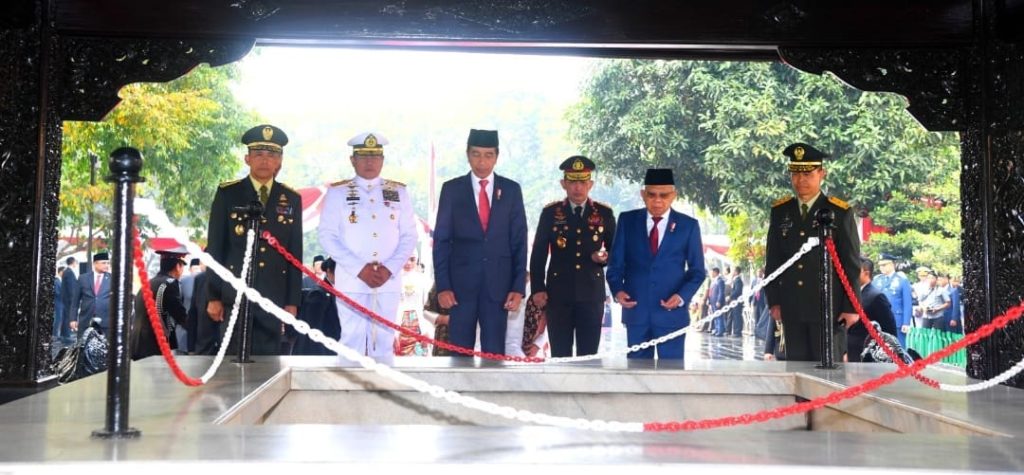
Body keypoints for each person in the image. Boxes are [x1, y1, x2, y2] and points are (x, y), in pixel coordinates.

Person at [318, 132, 417, 362]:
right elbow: (327, 235)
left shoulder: (399, 191)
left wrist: (389, 268)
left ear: (382, 159)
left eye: (375, 156)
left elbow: (409, 236)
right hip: (352, 280)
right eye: (363, 156)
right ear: (352, 160)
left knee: (383, 342)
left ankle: (382, 393)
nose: (370, 162)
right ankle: (348, 395)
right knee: (351, 340)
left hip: (388, 280)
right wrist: (359, 268)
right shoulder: (338, 192)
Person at [205, 124, 304, 355]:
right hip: (234, 295)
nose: (265, 161)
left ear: (279, 161)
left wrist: (292, 302)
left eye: (271, 155)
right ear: (247, 158)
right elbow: (216, 249)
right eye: (258, 154)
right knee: (232, 361)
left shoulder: (290, 199)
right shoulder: (228, 193)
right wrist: (213, 296)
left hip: (273, 297)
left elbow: (294, 253)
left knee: (269, 364)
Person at [433, 129, 528, 356]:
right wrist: (443, 285)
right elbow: (441, 241)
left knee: (494, 354)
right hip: (460, 288)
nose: (482, 161)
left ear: (496, 156)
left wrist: (517, 287)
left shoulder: (512, 190)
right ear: (467, 155)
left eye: (488, 155)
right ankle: (456, 394)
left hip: (499, 287)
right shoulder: (452, 190)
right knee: (459, 355)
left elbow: (519, 241)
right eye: (476, 154)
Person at [764, 142, 860, 362]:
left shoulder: (839, 211)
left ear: (821, 174)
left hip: (828, 308)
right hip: (792, 305)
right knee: (795, 369)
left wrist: (851, 306)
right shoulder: (781, 211)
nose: (801, 180)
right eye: (796, 174)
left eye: (807, 174)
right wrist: (774, 300)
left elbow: (851, 264)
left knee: (827, 371)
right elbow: (773, 260)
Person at [606, 168, 707, 359]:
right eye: (652, 194)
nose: (658, 200)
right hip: (636, 312)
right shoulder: (627, 221)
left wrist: (681, 296)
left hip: (672, 315)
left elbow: (697, 271)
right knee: (637, 378)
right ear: (643, 195)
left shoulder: (688, 226)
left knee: (671, 378)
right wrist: (618, 290)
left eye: (664, 195)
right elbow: (615, 265)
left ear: (674, 196)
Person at [529, 155, 617, 357]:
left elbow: (616, 252)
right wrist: (538, 288)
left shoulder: (604, 213)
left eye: (583, 182)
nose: (578, 187)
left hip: (591, 294)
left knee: (589, 355)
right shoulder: (551, 213)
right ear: (563, 184)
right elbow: (539, 254)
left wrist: (604, 257)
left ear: (591, 184)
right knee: (560, 354)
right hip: (559, 294)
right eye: (572, 182)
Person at [131, 248, 189, 360]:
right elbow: (180, 315)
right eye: (182, 266)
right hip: (156, 345)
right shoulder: (170, 284)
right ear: (178, 266)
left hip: (138, 343)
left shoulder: (148, 284)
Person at [843, 256, 899, 362]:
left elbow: (889, 331)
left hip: (865, 354)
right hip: (848, 351)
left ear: (866, 273)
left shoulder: (876, 297)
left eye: (855, 270)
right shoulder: (850, 293)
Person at [872, 254, 914, 348]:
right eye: (880, 265)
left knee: (898, 348)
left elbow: (907, 303)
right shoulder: (877, 280)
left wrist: (906, 322)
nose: (881, 267)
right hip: (879, 319)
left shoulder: (902, 280)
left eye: (884, 265)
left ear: (892, 265)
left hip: (897, 320)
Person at [70, 252, 111, 336]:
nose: (106, 265)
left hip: (105, 322)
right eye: (103, 263)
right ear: (95, 264)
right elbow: (75, 301)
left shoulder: (112, 279)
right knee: (83, 347)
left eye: (108, 263)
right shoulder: (83, 278)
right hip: (86, 321)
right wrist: (73, 319)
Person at [396, 253, 429, 356]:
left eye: (412, 259)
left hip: (419, 325)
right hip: (399, 324)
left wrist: (427, 330)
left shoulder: (423, 280)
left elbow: (427, 308)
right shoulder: (394, 279)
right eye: (405, 259)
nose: (408, 263)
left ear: (417, 260)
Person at [58, 256, 79, 346]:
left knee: (66, 316)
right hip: (68, 299)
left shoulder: (67, 272)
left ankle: (65, 334)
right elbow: (71, 288)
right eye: (76, 262)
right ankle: (66, 335)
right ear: (73, 262)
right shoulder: (69, 272)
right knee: (67, 316)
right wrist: (73, 299)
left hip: (66, 298)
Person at [725, 266, 744, 336]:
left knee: (737, 316)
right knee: (732, 315)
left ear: (736, 272)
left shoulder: (738, 280)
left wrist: (730, 296)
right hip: (733, 301)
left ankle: (737, 331)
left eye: (733, 271)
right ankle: (731, 330)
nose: (732, 273)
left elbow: (737, 291)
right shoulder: (734, 280)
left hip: (737, 301)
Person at [707, 267, 726, 336]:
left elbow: (721, 292)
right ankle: (717, 329)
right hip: (712, 301)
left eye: (712, 272)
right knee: (715, 316)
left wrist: (719, 301)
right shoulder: (713, 281)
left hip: (717, 302)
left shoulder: (720, 281)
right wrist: (709, 301)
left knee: (719, 316)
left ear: (715, 272)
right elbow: (710, 291)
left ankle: (720, 330)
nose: (711, 274)